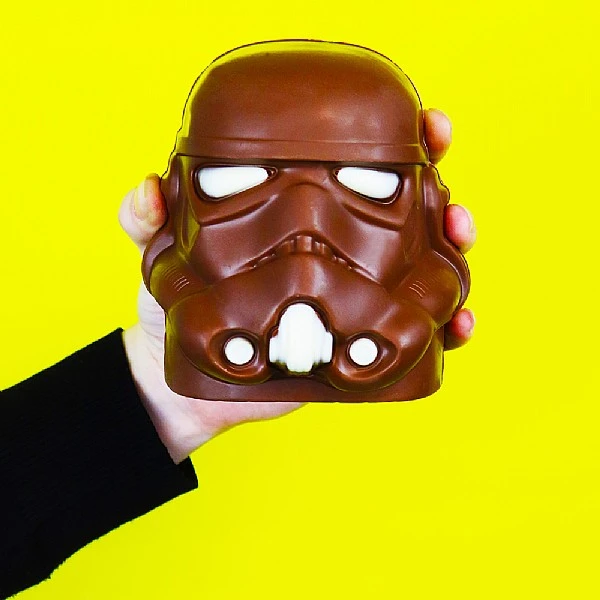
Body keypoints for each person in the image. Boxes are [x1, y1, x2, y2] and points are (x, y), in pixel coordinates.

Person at [0, 109, 476, 598]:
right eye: (236, 183)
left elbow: (442, 267)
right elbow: (168, 261)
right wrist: (182, 338)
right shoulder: (179, 251)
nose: (306, 229)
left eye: (368, 185)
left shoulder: (421, 247)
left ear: (426, 203)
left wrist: (156, 388)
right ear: (178, 197)